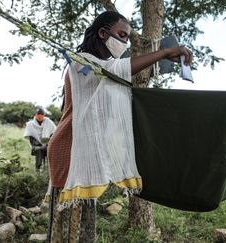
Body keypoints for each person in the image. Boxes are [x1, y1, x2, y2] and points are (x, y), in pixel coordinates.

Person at [47, 11, 193, 242]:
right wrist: (164, 52)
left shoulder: (102, 67)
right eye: (121, 35)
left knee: (84, 221)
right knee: (69, 225)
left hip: (81, 149)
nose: (124, 42)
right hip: (69, 148)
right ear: (103, 33)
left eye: (127, 38)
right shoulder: (81, 63)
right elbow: (116, 70)